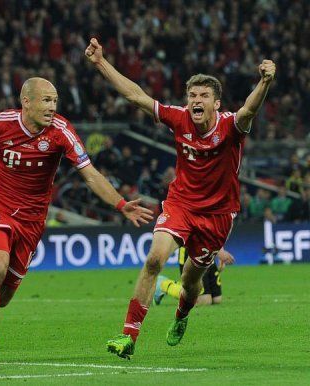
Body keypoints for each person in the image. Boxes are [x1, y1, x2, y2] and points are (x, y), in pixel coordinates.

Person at [0, 77, 154, 371]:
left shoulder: (61, 131)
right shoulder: (0, 123)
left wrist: (121, 205)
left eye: (55, 101)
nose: (52, 107)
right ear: (27, 102)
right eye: (46, 100)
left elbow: (91, 174)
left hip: (33, 221)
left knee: (3, 297)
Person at [85, 37, 275, 358]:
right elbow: (136, 96)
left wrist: (264, 82)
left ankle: (182, 315)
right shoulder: (179, 117)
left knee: (191, 284)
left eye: (203, 95)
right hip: (181, 205)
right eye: (192, 95)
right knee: (154, 259)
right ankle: (129, 336)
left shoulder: (231, 126)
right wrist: (101, 63)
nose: (195, 100)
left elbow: (250, 108)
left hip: (217, 216)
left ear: (216, 103)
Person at [154, 247, 235, 306]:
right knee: (204, 301)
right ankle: (163, 285)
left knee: (217, 299)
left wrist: (220, 251)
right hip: (191, 250)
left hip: (208, 251)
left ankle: (187, 288)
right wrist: (220, 253)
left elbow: (216, 230)